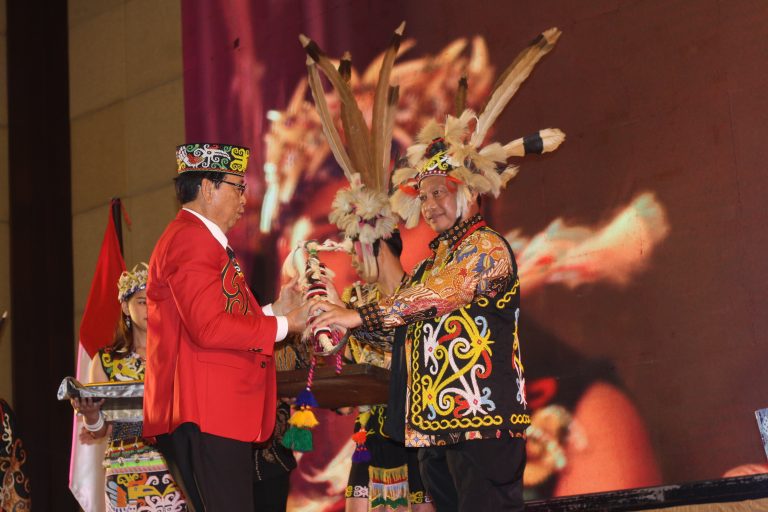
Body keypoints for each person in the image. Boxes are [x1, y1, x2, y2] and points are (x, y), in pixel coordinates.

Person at [311, 27, 566, 510]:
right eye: (422, 196)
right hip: (432, 430)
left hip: (482, 422)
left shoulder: (486, 249)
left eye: (440, 193)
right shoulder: (433, 259)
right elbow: (403, 325)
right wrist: (329, 319)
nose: (429, 206)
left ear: (467, 192)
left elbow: (432, 298)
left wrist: (354, 318)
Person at [142, 143, 307, 511]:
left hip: (212, 410)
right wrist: (284, 325)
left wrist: (275, 309)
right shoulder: (191, 239)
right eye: (237, 186)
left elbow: (217, 318)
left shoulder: (199, 240)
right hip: (206, 410)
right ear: (206, 188)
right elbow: (209, 328)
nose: (245, 199)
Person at [70, 263, 188, 511]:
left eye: (156, 301)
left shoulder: (179, 354)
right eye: (142, 301)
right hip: (124, 471)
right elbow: (99, 430)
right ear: (125, 306)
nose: (150, 308)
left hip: (174, 466)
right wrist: (91, 415)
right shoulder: (105, 360)